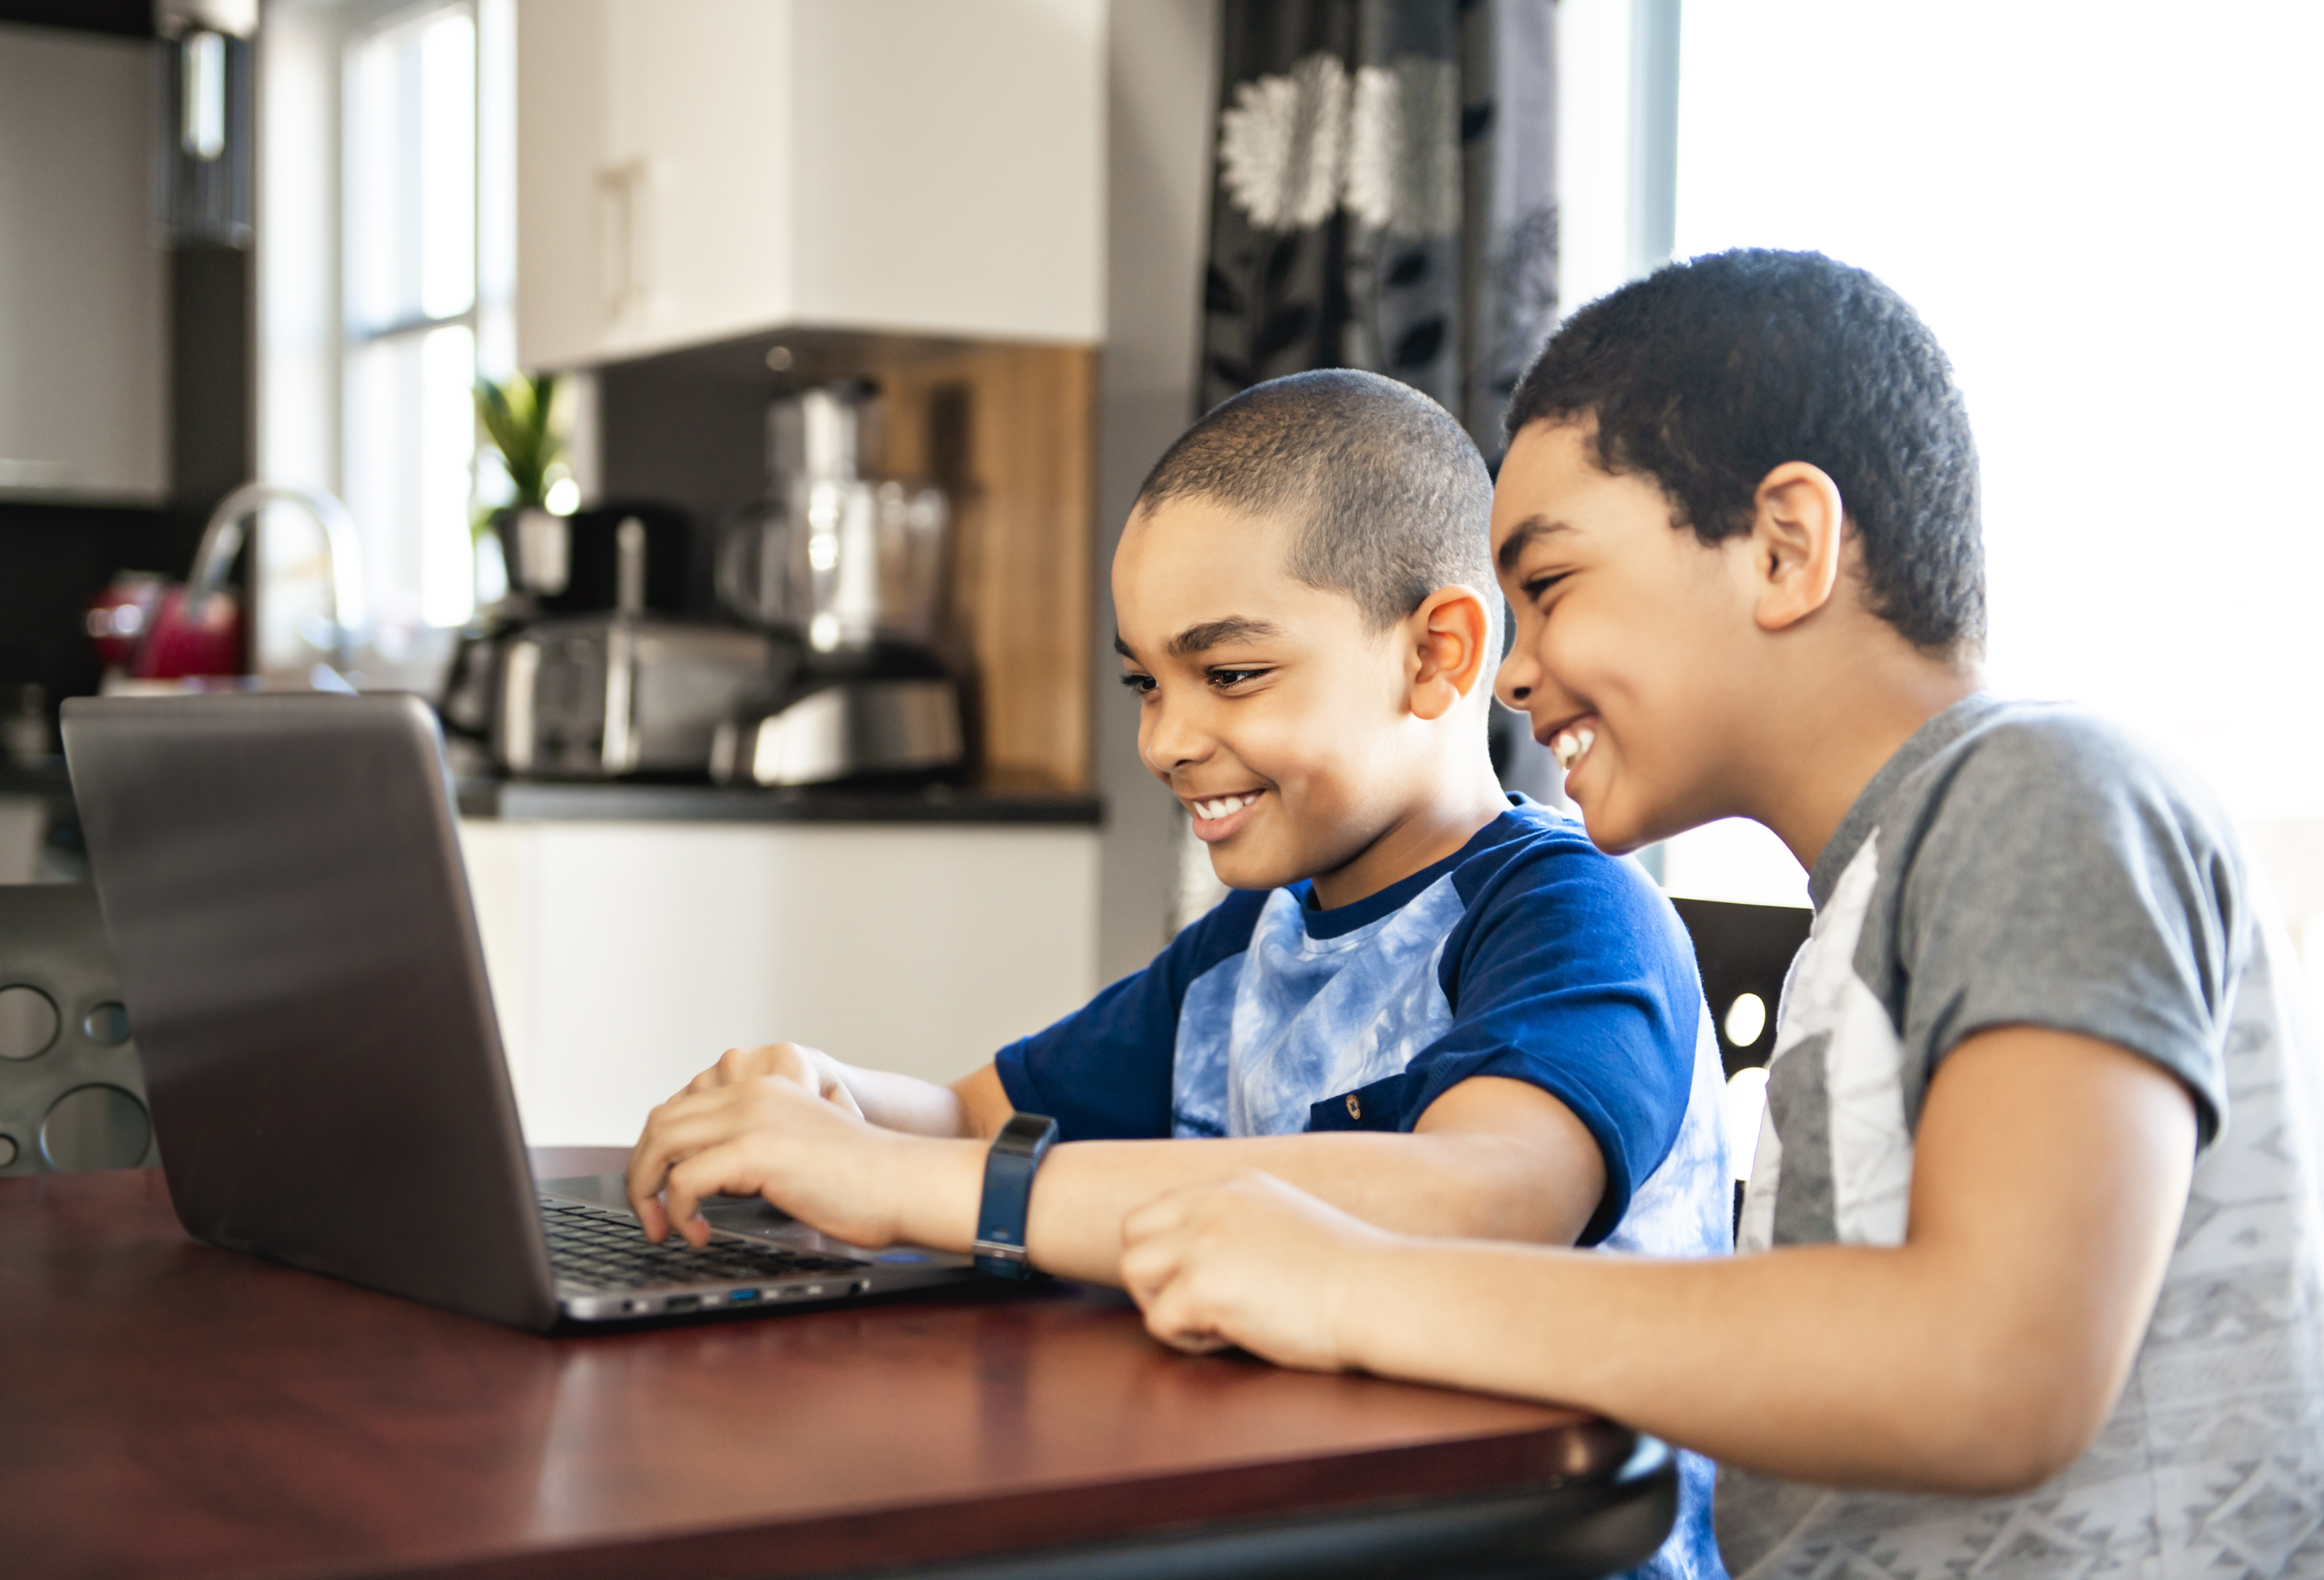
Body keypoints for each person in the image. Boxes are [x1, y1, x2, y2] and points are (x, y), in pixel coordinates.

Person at [1118, 250, 2324, 1580]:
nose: (1514, 675)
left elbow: (1999, 1369)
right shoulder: (1868, 905)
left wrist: (1347, 1282)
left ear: (1785, 546)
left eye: (1555, 587)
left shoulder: (2040, 793)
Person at [627, 368, 1733, 1580]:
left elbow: (1478, 1201)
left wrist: (907, 1185)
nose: (1165, 740)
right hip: (1300, 1518)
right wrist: (826, 1101)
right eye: (1148, 683)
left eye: (1233, 675)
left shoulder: (1573, 918)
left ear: (1438, 654)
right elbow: (969, 1117)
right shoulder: (1252, 939)